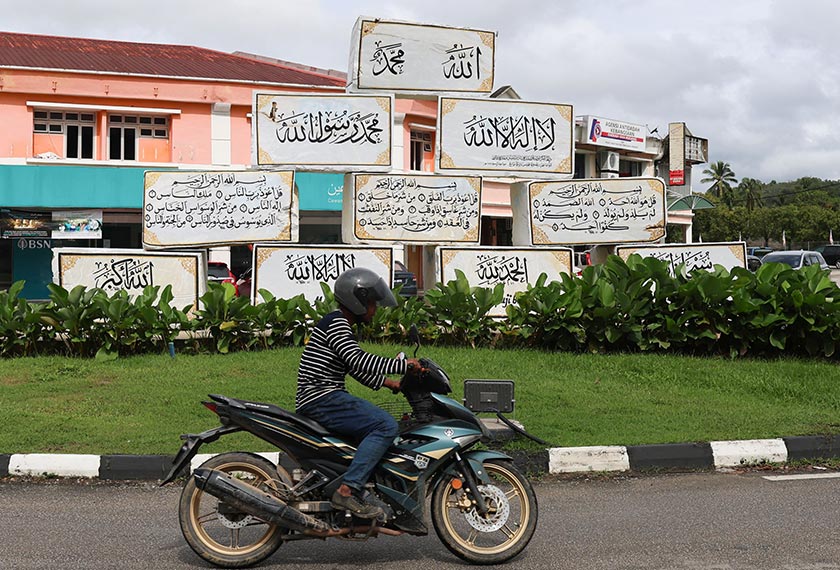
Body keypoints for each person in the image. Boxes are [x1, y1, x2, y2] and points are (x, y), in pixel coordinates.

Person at [296, 267, 420, 519]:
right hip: (321, 398)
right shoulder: (337, 323)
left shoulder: (339, 324)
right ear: (358, 301)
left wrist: (390, 383)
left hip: (323, 396)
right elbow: (358, 359)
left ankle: (356, 483)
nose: (375, 309)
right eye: (373, 303)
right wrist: (403, 365)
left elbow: (353, 367)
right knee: (385, 425)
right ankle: (347, 491)